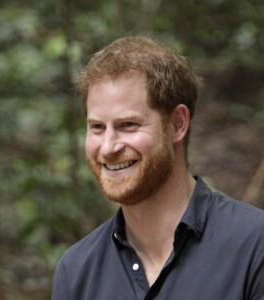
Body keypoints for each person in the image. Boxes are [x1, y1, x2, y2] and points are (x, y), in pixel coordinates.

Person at [52, 36, 264, 300]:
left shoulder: (254, 245)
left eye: (128, 125)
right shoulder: (76, 271)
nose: (108, 147)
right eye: (97, 127)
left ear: (177, 124)